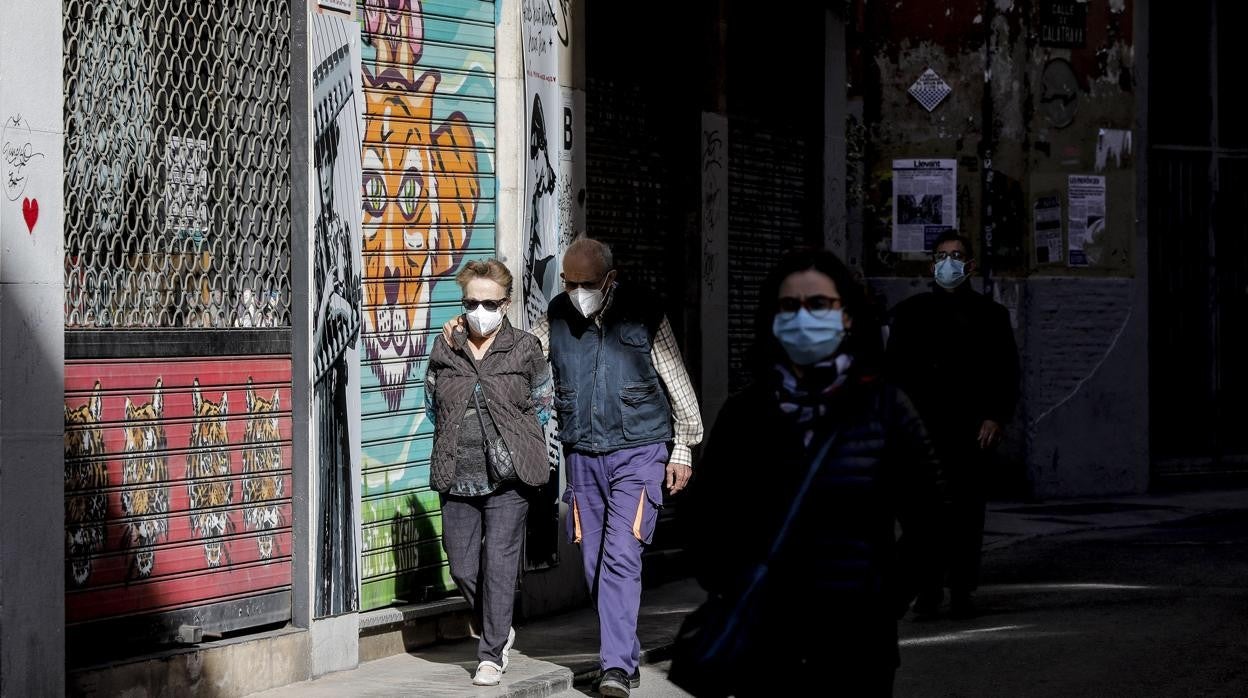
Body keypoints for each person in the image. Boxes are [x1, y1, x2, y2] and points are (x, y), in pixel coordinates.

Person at [444, 238, 704, 697]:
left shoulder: (644, 313)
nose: (577, 290)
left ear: (610, 279)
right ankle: (624, 648)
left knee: (621, 556)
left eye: (587, 283)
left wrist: (682, 447)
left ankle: (616, 668)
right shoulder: (558, 315)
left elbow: (677, 382)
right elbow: (518, 353)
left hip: (638, 452)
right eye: (569, 282)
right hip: (582, 454)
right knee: (592, 564)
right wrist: (466, 331)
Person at [682, 247, 941, 696]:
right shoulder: (744, 414)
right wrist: (732, 585)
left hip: (857, 645)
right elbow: (706, 515)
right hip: (766, 642)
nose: (804, 318)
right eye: (790, 307)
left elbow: (931, 514)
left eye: (819, 305)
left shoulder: (885, 409)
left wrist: (884, 599)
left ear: (846, 317)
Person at [425, 259, 555, 686]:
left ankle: (491, 654)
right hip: (457, 473)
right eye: (470, 302)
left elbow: (542, 400)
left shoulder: (525, 347)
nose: (479, 310)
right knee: (462, 566)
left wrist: (514, 436)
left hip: (509, 476)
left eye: (489, 302)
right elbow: (432, 403)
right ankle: (497, 624)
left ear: (507, 302)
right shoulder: (446, 345)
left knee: (499, 564)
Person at [886, 230, 1020, 619]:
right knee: (922, 516)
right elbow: (893, 373)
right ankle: (927, 592)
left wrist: (997, 416)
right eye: (942, 255)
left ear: (970, 264)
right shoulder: (910, 314)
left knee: (966, 514)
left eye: (957, 255)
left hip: (970, 432)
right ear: (932, 263)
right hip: (921, 431)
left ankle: (962, 589)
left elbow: (1006, 372)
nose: (949, 262)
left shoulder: (992, 316)